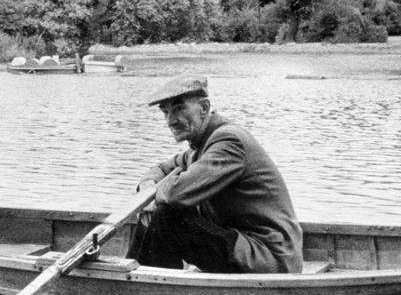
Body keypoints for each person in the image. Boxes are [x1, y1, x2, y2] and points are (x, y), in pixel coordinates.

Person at [127, 75, 303, 274]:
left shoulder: (228, 141)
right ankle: (136, 277)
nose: (170, 121)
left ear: (204, 108)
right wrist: (148, 186)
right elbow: (161, 169)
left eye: (179, 108)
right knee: (154, 212)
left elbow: (176, 193)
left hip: (269, 257)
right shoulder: (199, 146)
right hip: (243, 245)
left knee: (167, 216)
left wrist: (151, 197)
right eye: (165, 112)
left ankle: (145, 286)